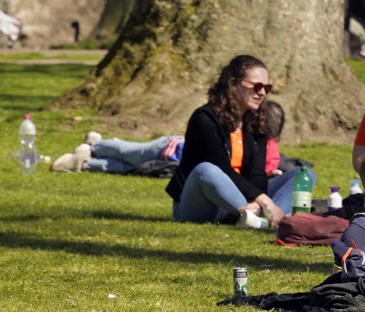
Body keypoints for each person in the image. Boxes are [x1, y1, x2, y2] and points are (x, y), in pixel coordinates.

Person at [165, 55, 307, 229]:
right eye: (256, 86)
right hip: (203, 204)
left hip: (244, 201)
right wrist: (263, 200)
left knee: (302, 174)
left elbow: (257, 172)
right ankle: (266, 216)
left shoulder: (257, 121)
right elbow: (221, 168)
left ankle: (260, 217)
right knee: (206, 170)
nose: (262, 92)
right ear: (233, 84)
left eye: (266, 87)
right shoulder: (204, 119)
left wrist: (259, 199)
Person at [49, 131, 184, 174]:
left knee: (131, 168)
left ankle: (85, 162)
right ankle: (94, 145)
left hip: (172, 162)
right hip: (170, 150)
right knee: (128, 152)